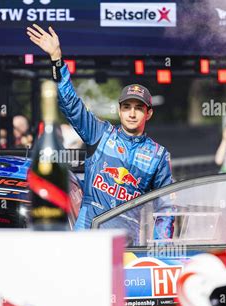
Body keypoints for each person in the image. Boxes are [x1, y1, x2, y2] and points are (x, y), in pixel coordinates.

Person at [27, 24, 174, 236]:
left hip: (126, 245)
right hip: (86, 239)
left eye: (138, 108)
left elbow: (166, 206)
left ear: (148, 113)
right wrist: (57, 59)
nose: (132, 113)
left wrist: (161, 252)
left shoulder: (158, 155)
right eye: (127, 107)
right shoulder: (100, 133)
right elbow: (71, 105)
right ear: (119, 110)